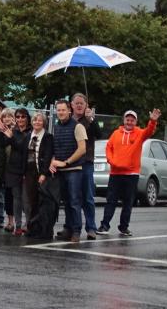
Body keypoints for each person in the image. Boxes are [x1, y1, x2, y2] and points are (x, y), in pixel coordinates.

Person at [98, 108, 160, 237]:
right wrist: (111, 160)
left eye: (132, 120)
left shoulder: (139, 133)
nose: (129, 122)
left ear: (135, 122)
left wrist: (153, 121)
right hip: (115, 173)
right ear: (124, 120)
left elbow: (149, 131)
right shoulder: (116, 133)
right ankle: (104, 225)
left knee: (128, 202)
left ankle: (124, 227)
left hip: (131, 174)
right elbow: (109, 147)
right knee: (111, 201)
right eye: (128, 119)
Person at [51, 99, 88, 243]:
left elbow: (82, 149)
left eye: (63, 110)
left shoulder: (78, 127)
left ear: (69, 111)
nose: (60, 112)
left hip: (74, 169)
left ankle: (76, 231)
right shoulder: (56, 127)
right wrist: (53, 161)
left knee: (74, 201)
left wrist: (66, 162)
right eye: (58, 110)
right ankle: (68, 228)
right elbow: (55, 147)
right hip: (61, 170)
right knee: (66, 202)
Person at [70, 93, 102, 240]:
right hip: (71, 162)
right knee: (72, 197)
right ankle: (70, 227)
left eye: (81, 103)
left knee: (88, 197)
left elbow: (99, 134)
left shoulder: (89, 120)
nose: (79, 105)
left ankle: (91, 228)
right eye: (76, 103)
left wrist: (91, 120)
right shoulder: (68, 120)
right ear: (72, 105)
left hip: (86, 162)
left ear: (86, 105)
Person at [3, 108, 32, 235]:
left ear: (27, 118)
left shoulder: (31, 132)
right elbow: (4, 143)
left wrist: (11, 138)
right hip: (13, 169)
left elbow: (22, 146)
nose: (20, 119)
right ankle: (18, 226)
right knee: (16, 199)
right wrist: (5, 133)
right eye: (18, 117)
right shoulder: (13, 131)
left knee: (26, 200)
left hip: (27, 169)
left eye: (23, 117)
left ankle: (29, 224)